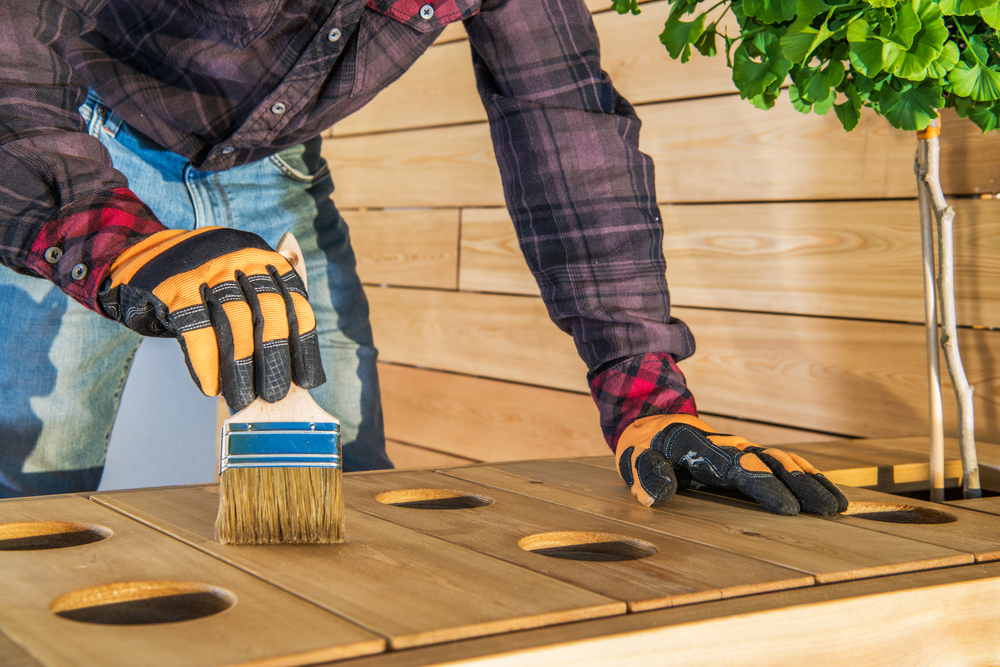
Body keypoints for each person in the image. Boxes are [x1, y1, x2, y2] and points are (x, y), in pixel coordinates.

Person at [0, 0, 847, 514]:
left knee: (348, 490)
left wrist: (649, 397)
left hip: (274, 169)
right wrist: (116, 242)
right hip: (73, 142)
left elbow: (563, 117)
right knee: (35, 483)